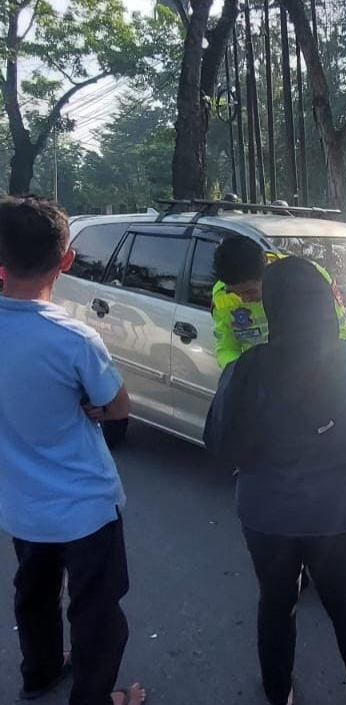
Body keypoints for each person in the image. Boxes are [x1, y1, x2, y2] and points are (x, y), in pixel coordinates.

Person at [204, 257, 346, 705]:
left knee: (276, 604)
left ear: (274, 308)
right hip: (334, 513)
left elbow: (219, 444)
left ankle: (279, 694)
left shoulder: (247, 368)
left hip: (264, 513)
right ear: (324, 303)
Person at [0, 196, 145, 705]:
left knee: (34, 597)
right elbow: (119, 406)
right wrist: (89, 406)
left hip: (21, 508)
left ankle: (39, 674)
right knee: (97, 613)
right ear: (66, 261)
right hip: (85, 508)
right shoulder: (73, 338)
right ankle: (95, 697)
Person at [212, 236, 346, 369]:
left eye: (250, 292)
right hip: (260, 380)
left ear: (267, 272)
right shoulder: (221, 296)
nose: (244, 299)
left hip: (312, 374)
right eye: (236, 293)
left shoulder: (309, 278)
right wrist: (242, 373)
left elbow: (342, 332)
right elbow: (227, 349)